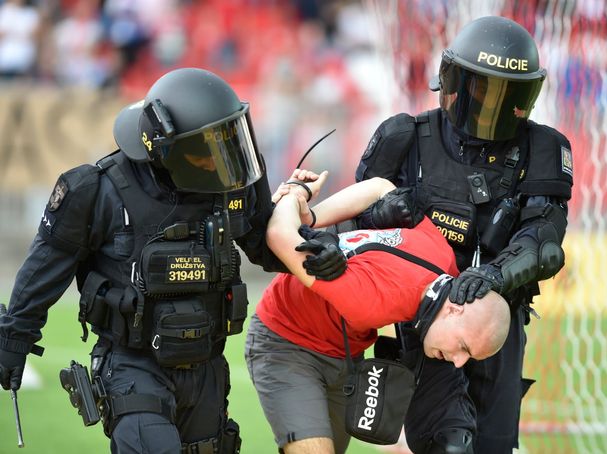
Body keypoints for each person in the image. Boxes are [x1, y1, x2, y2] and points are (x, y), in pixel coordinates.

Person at [0, 67, 345, 454]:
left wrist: (319, 248)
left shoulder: (232, 183)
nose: (221, 156)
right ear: (166, 148)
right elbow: (47, 265)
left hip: (208, 368)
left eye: (228, 138)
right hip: (133, 365)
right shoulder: (96, 189)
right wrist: (15, 336)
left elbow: (266, 245)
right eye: (208, 148)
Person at [354, 15, 572, 453]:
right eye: (480, 90)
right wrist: (383, 212)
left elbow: (545, 241)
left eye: (504, 95)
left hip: (497, 324)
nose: (488, 107)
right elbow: (353, 228)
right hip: (424, 325)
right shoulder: (403, 136)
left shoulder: (543, 147)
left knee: (493, 445)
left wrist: (494, 278)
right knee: (444, 443)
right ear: (451, 81)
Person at [245, 170, 511, 454]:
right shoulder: (371, 302)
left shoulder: (442, 257)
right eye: (463, 347)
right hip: (287, 343)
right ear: (455, 310)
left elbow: (380, 187)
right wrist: (295, 194)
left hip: (344, 356)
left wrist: (311, 216)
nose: (458, 362)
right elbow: (278, 236)